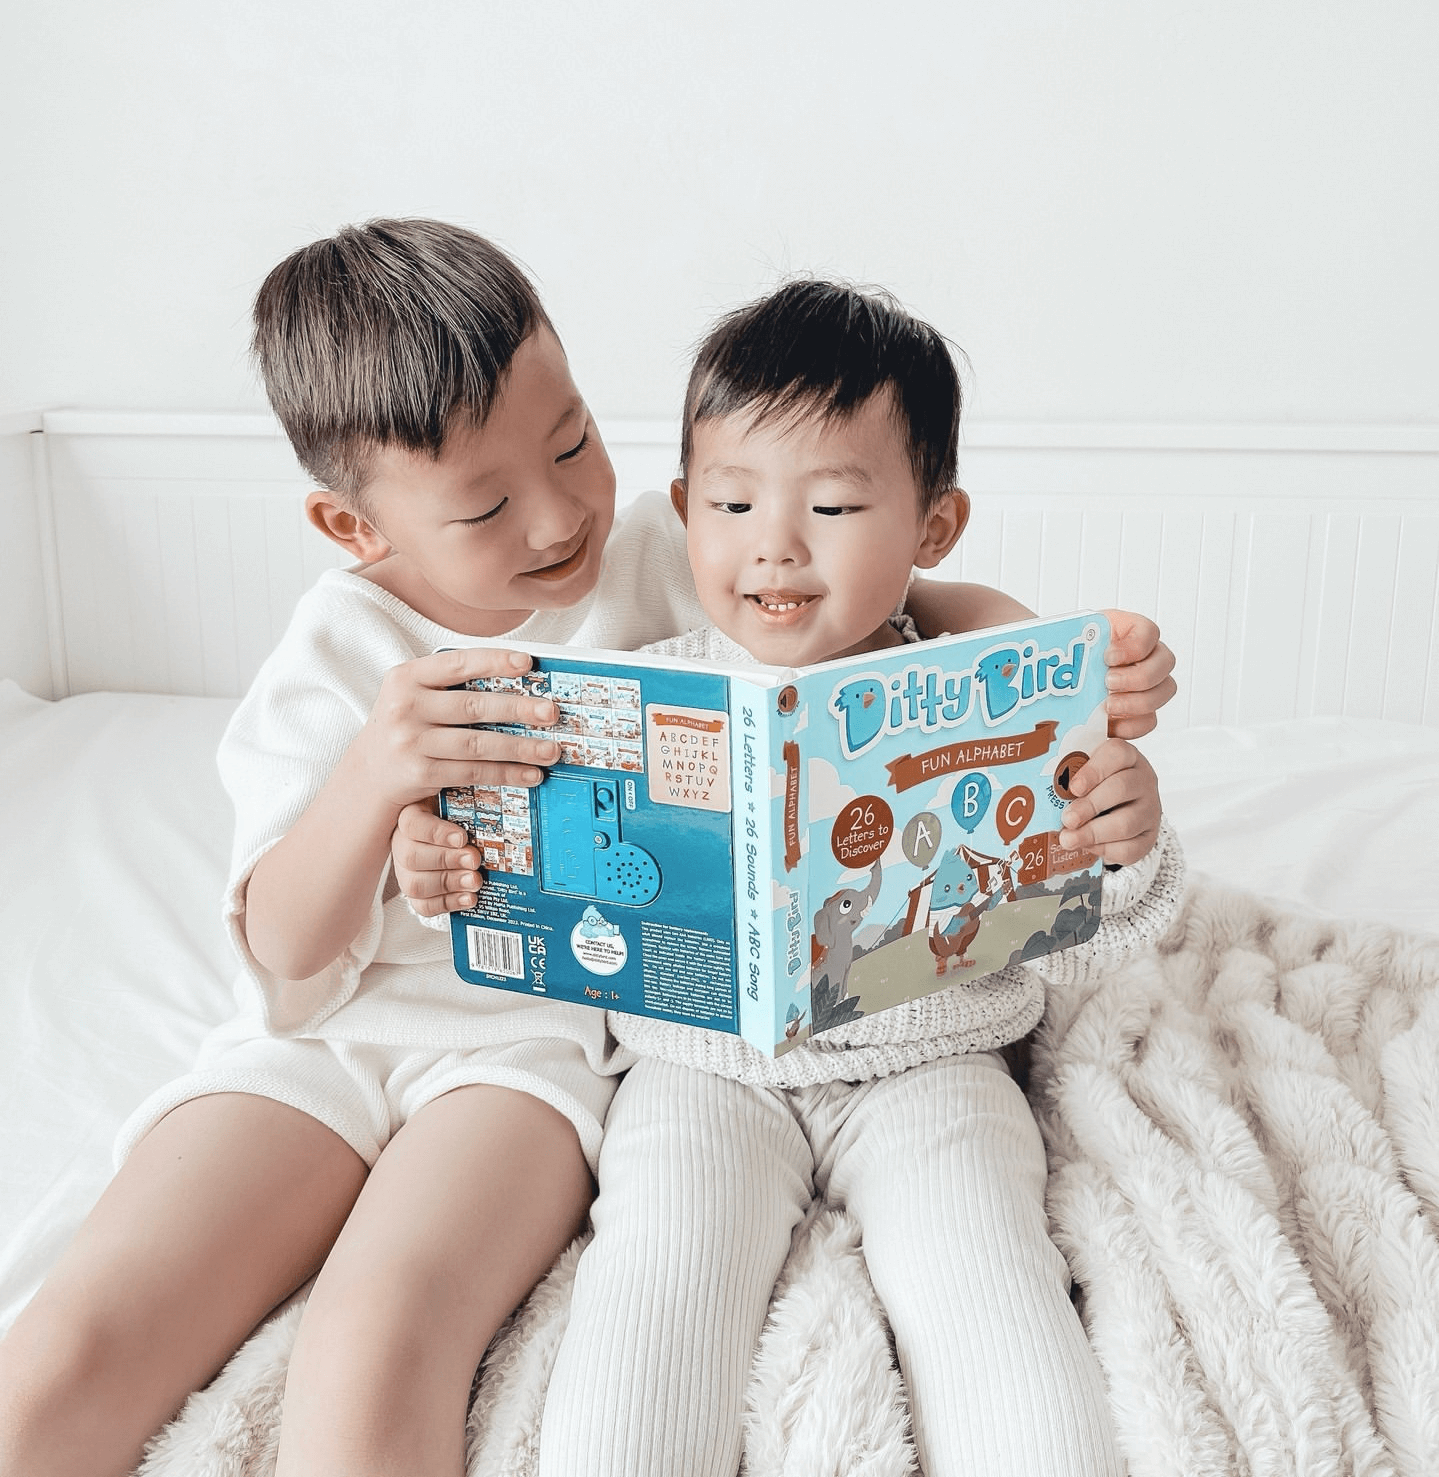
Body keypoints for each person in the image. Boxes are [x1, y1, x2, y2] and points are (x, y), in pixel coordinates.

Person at [0, 225, 1173, 1477]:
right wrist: (377, 776)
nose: (560, 511)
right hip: (325, 1039)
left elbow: (885, 596)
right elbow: (281, 955)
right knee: (64, 1355)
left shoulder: (675, 551)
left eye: (572, 441)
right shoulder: (334, 654)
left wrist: (1050, 663)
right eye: (486, 501)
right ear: (351, 525)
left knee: (370, 1343)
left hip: (529, 1044)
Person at [399, 279, 1184, 1477]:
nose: (774, 540)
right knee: (649, 1305)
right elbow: (526, 878)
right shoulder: (624, 693)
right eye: (729, 501)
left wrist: (1121, 841)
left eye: (831, 502)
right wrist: (441, 863)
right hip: (695, 1072)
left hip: (935, 1063)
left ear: (934, 526)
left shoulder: (997, 700)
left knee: (994, 1308)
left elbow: (1091, 929)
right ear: (684, 511)